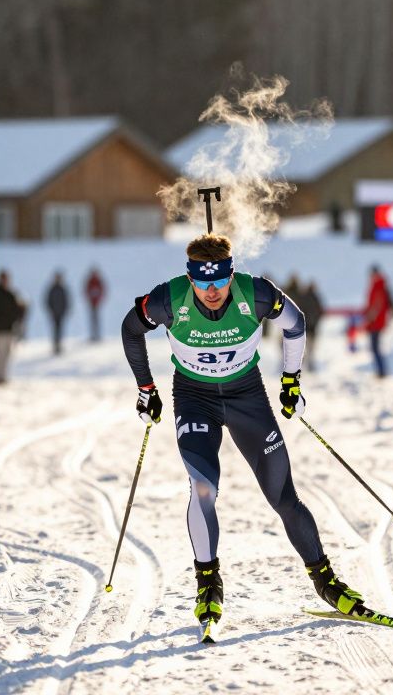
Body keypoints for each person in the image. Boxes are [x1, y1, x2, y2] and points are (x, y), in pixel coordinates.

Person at [120, 233, 371, 636]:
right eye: (202, 284)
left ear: (230, 273)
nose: (213, 291)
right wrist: (145, 389)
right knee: (203, 488)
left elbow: (296, 323)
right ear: (190, 279)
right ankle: (208, 582)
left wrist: (292, 380)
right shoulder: (169, 298)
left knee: (283, 496)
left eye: (219, 281)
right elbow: (130, 329)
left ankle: (324, 579)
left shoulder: (256, 293)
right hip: (194, 397)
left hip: (246, 396)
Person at [0, 271, 25, 385]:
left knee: (7, 354)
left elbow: (17, 311)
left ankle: (3, 376)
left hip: (9, 329)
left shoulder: (10, 294)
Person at [362, 266, 392, 378]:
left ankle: (381, 371)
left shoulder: (378, 286)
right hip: (376, 321)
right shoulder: (379, 285)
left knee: (375, 347)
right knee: (375, 347)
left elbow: (377, 305)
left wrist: (371, 317)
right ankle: (381, 371)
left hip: (376, 322)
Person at [299, 281, 324, 370]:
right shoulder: (316, 298)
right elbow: (321, 311)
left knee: (303, 347)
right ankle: (309, 365)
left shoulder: (303, 298)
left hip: (304, 327)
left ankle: (302, 364)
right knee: (311, 348)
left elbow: (299, 311)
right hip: (313, 328)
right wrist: (316, 321)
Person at [46, 271, 71, 355]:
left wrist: (65, 310)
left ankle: (59, 345)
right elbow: (47, 301)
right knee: (55, 329)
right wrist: (50, 310)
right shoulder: (52, 288)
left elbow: (66, 301)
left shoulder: (63, 289)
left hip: (61, 313)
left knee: (60, 329)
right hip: (54, 313)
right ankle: (55, 345)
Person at [85, 267, 106, 342]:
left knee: (97, 320)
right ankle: (93, 335)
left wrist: (99, 300)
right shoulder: (90, 281)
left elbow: (102, 291)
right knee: (93, 320)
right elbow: (86, 291)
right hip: (92, 303)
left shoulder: (98, 281)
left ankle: (97, 335)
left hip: (97, 303)